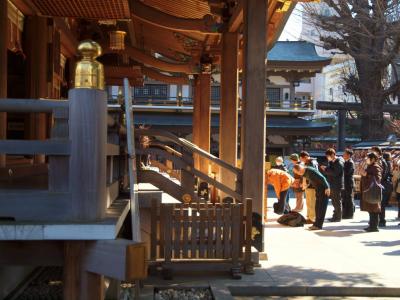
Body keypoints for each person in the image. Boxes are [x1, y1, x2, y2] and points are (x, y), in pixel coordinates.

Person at [293, 164, 330, 230]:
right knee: (317, 208)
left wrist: (327, 187)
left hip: (323, 190)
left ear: (300, 169)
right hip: (318, 190)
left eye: (297, 172)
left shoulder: (310, 170)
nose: (297, 174)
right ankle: (316, 224)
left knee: (321, 208)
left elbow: (322, 178)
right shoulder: (304, 173)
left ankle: (318, 225)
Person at [360, 152, 382, 232]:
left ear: (373, 159)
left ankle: (374, 226)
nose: (366, 159)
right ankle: (371, 225)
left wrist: (366, 175)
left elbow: (378, 178)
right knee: (370, 209)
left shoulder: (376, 167)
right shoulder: (370, 166)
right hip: (368, 190)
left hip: (373, 191)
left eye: (368, 158)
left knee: (374, 209)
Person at [320, 148, 344, 222]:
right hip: (332, 183)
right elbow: (330, 171)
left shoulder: (339, 162)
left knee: (337, 201)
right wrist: (326, 168)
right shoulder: (331, 162)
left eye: (328, 156)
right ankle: (335, 215)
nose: (328, 158)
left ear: (333, 154)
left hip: (337, 184)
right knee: (334, 201)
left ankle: (338, 217)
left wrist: (326, 169)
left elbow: (335, 173)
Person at [299, 151, 319, 224]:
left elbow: (311, 175)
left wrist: (306, 183)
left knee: (311, 202)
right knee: (309, 202)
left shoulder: (311, 163)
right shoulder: (310, 162)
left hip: (311, 185)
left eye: (301, 159)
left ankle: (311, 218)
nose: (301, 161)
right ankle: (309, 217)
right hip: (310, 185)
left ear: (305, 157)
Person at [379, 152, 393, 227]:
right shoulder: (389, 163)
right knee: (383, 204)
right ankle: (381, 219)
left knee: (382, 203)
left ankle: (382, 220)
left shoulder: (385, 163)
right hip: (388, 185)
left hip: (384, 184)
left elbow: (383, 175)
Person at [342, 149, 355, 219]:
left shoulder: (350, 162)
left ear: (348, 155)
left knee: (349, 199)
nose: (343, 155)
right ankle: (345, 213)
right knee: (345, 198)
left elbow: (347, 172)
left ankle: (350, 214)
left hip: (349, 183)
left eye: (345, 154)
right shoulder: (345, 162)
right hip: (345, 183)